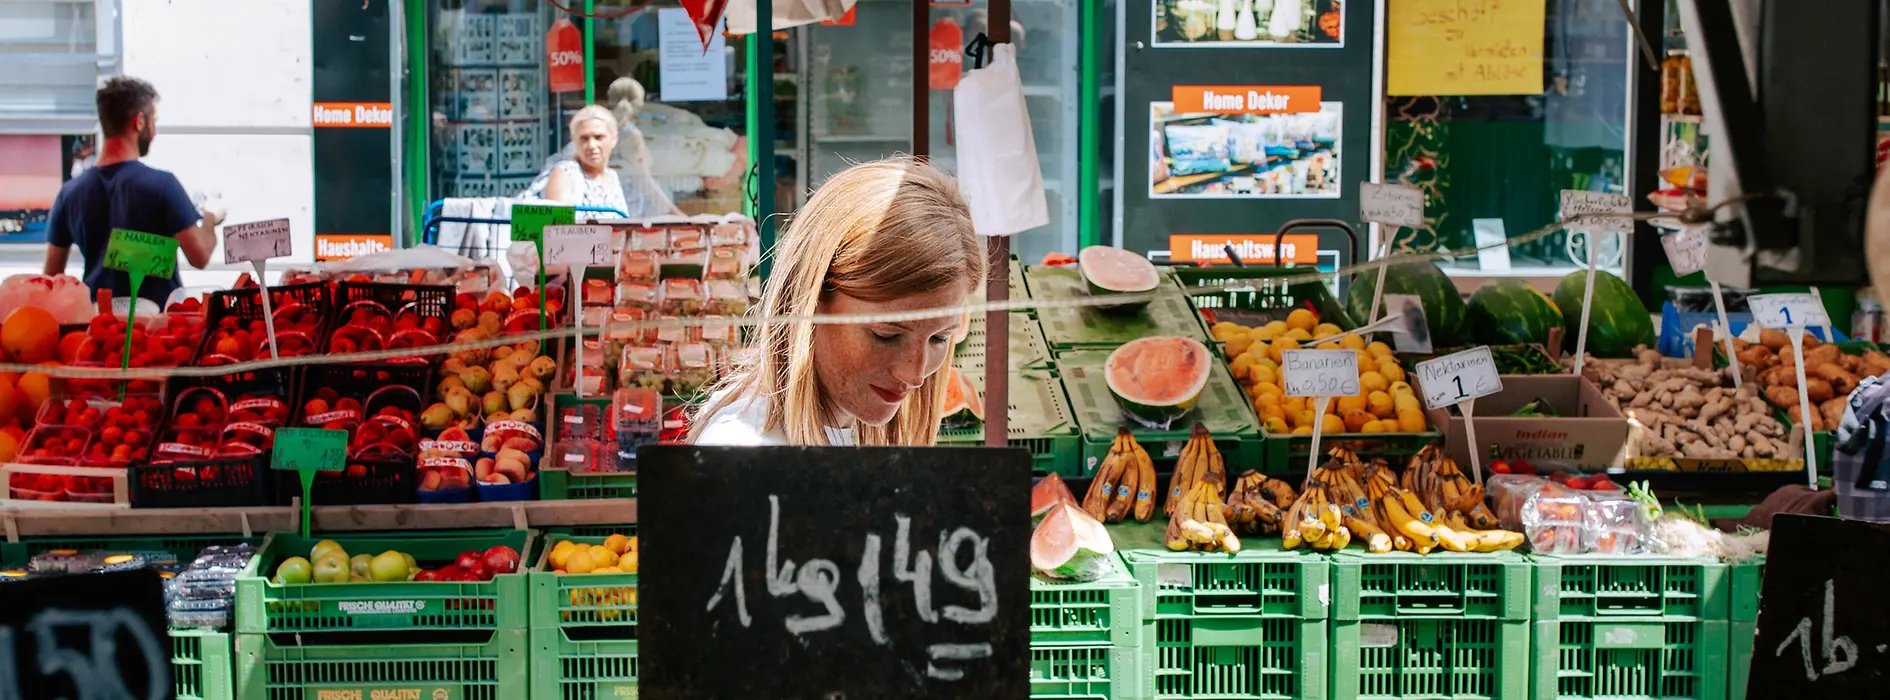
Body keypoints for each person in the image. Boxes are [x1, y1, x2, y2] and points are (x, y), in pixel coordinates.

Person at [689, 158, 986, 446]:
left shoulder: (844, 425)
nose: (915, 374)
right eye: (887, 336)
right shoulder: (745, 451)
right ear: (810, 303)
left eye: (939, 338)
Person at [45, 76, 223, 306]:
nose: (154, 131)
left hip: (99, 327)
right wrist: (210, 219)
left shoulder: (69, 194)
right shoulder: (162, 186)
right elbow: (200, 255)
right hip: (158, 330)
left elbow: (50, 279)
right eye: (153, 121)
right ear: (139, 121)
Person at [519, 105, 630, 217]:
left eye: (598, 137)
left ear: (614, 139)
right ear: (574, 139)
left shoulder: (612, 176)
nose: (591, 145)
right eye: (584, 138)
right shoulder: (565, 174)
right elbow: (559, 229)